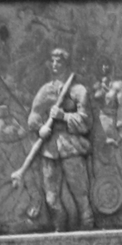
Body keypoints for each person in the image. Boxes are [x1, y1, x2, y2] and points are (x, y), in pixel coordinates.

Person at [27, 47, 95, 230]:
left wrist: (63, 116)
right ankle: (60, 229)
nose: (55, 65)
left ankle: (87, 227)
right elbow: (33, 116)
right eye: (53, 61)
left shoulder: (78, 90)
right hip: (49, 148)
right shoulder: (45, 90)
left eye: (60, 62)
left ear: (67, 64)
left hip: (71, 146)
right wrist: (40, 127)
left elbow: (86, 122)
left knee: (80, 194)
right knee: (51, 197)